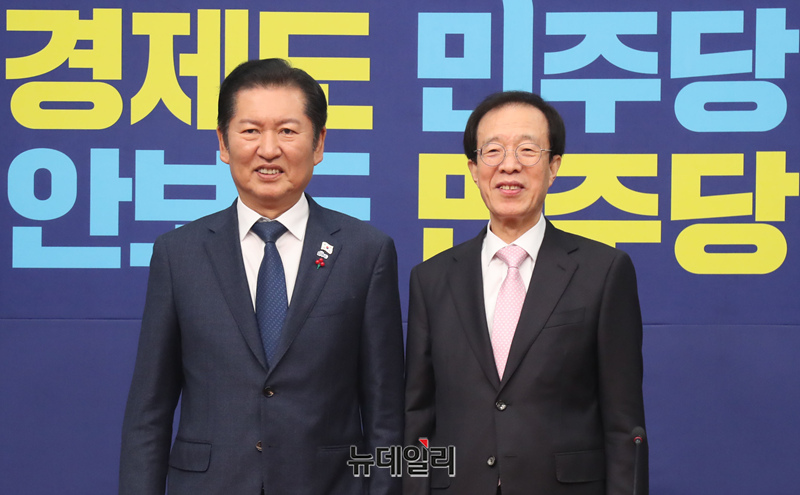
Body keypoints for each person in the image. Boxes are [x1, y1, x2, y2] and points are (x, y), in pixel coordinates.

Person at [119, 58, 404, 495]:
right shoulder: (179, 254)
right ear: (223, 142)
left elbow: (386, 415)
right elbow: (148, 412)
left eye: (288, 131)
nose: (269, 150)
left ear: (319, 143)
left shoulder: (366, 252)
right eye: (250, 130)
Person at [404, 91, 647, 494]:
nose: (509, 165)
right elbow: (417, 417)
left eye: (527, 150)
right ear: (473, 168)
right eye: (493, 151)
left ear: (554, 167)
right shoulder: (431, 279)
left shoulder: (603, 272)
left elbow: (625, 425)